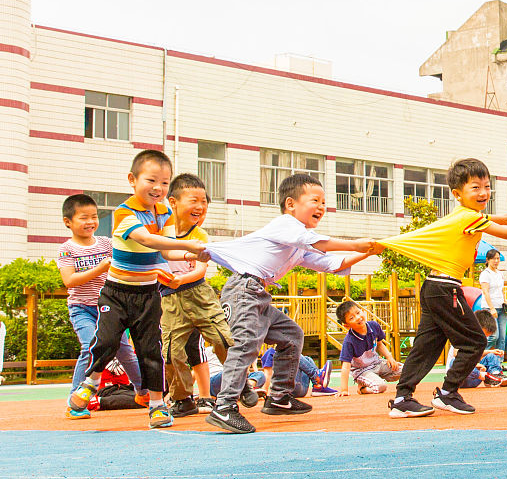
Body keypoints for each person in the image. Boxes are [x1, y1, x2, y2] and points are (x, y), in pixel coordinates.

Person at [202, 173, 380, 433]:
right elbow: (320, 243)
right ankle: (225, 406)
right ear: (291, 204)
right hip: (243, 290)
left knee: (291, 334)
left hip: (257, 294)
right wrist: (356, 243)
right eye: (315, 200)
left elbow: (331, 263)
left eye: (323, 202)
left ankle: (278, 398)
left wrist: (365, 253)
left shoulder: (298, 243)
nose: (321, 207)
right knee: (246, 345)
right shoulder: (285, 225)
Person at [378, 158, 507, 417]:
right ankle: (448, 392)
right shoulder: (469, 216)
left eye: (487, 186)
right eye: (475, 187)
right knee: (475, 340)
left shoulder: (469, 215)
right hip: (445, 288)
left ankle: (402, 398)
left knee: (426, 346)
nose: (484, 192)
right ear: (457, 194)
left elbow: (506, 217)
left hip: (433, 286)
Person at [67, 151, 208, 428]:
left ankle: (156, 405)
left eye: (165, 183)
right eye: (151, 180)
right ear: (133, 180)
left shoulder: (165, 212)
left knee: (150, 350)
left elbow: (166, 251)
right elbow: (148, 240)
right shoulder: (124, 212)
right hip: (116, 293)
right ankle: (91, 381)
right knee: (107, 340)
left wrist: (197, 255)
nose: (158, 188)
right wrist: (189, 246)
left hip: (147, 295)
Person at [57, 194, 146, 419]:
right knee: (90, 347)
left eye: (94, 217)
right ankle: (76, 401)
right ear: (68, 222)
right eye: (83, 217)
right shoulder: (67, 250)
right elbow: (69, 281)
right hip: (82, 308)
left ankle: (143, 392)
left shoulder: (107, 243)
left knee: (126, 351)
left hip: (111, 307)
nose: (90, 222)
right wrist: (101, 267)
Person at [158, 174, 237, 418]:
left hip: (198, 293)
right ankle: (182, 399)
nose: (200, 207)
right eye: (194, 200)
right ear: (173, 202)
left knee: (222, 338)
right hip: (169, 299)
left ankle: (238, 384)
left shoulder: (200, 235)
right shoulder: (159, 231)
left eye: (204, 202)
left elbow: (201, 269)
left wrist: (182, 279)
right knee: (172, 351)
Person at [335, 300, 402, 395]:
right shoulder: (349, 341)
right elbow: (346, 366)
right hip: (362, 371)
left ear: (362, 311)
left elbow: (379, 344)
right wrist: (344, 390)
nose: (358, 318)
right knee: (380, 386)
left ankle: (376, 378)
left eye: (358, 312)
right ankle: (363, 389)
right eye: (352, 318)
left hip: (377, 364)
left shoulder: (373, 326)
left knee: (405, 370)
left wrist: (389, 358)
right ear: (347, 325)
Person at [448, 311, 507, 388]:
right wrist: (475, 365)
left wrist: (491, 351)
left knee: (491, 356)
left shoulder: (480, 340)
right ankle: (487, 377)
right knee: (454, 361)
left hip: (476, 377)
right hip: (460, 377)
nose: (483, 338)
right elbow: (457, 354)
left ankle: (495, 375)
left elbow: (476, 353)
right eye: (483, 335)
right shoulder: (463, 334)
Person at [478, 248, 507, 363]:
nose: (496, 261)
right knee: (493, 336)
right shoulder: (485, 274)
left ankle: (498, 363)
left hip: (501, 307)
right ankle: (478, 355)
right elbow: (486, 292)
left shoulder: (499, 274)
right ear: (487, 260)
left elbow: (501, 291)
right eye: (493, 259)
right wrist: (492, 308)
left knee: (502, 338)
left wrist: (505, 306)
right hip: (489, 308)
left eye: (498, 259)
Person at [261, 347, 336, 397]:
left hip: (298, 388)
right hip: (289, 390)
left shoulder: (284, 352)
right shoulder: (271, 352)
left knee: (307, 359)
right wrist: (265, 391)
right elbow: (268, 373)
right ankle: (316, 376)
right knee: (296, 354)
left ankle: (318, 386)